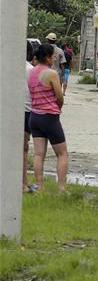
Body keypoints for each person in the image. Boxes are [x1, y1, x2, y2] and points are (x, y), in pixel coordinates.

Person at [28, 44, 68, 192]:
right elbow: (59, 97)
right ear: (47, 57)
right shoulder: (51, 74)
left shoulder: (31, 72)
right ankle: (62, 188)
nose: (54, 59)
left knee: (38, 154)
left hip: (34, 116)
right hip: (49, 117)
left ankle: (40, 187)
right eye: (53, 56)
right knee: (62, 153)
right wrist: (58, 108)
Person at [23, 42, 37, 193]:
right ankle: (23, 184)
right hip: (26, 112)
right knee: (23, 150)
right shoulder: (31, 70)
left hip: (11, 111)